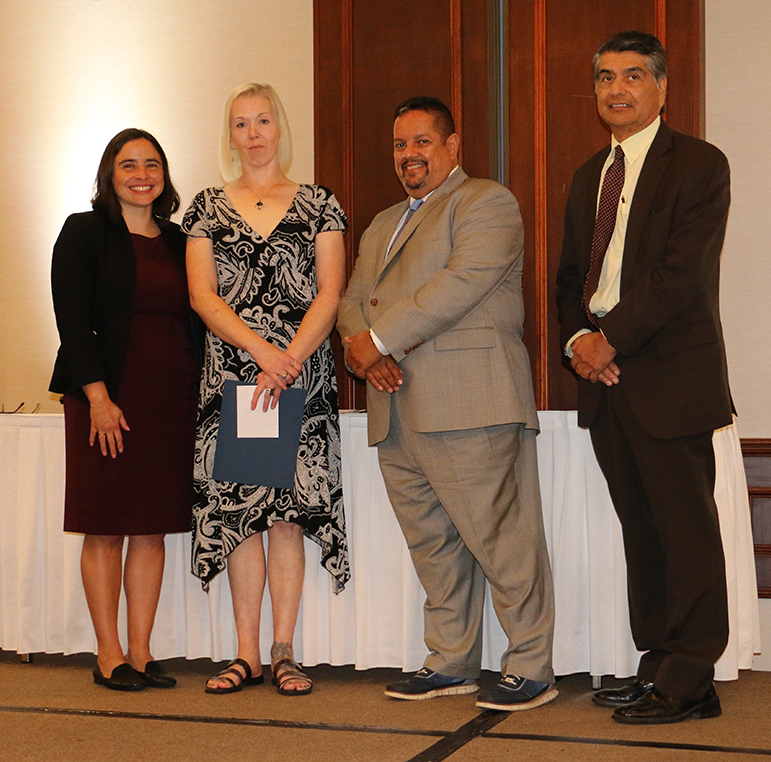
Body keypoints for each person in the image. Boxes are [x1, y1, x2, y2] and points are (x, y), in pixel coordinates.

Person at [337, 96, 556, 712]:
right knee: (433, 545)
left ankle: (532, 665)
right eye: (401, 145)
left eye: (422, 142)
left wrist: (376, 342)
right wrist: (363, 352)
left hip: (472, 402)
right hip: (397, 410)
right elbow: (354, 299)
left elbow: (459, 284)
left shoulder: (486, 202)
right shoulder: (381, 223)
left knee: (503, 540)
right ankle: (451, 660)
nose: (410, 154)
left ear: (453, 146)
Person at [556, 31, 733, 724]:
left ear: (662, 87)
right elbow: (573, 276)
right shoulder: (586, 176)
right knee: (643, 531)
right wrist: (578, 338)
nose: (615, 89)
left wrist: (608, 338)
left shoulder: (697, 165)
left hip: (668, 375)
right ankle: (660, 662)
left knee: (684, 531)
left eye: (631, 75)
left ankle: (690, 677)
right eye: (604, 77)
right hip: (604, 381)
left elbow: (679, 278)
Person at [184, 83, 349, 696]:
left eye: (262, 121)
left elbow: (330, 294)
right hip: (234, 381)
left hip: (298, 382)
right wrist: (261, 354)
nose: (252, 134)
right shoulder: (205, 207)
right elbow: (203, 296)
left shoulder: (319, 205)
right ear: (229, 135)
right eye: (240, 124)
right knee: (240, 518)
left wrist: (289, 360)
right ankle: (245, 654)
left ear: (280, 127)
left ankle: (284, 651)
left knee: (286, 520)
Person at [50, 128, 199, 691]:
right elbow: (73, 318)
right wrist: (97, 397)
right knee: (107, 525)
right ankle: (108, 653)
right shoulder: (86, 232)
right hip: (106, 398)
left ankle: (140, 651)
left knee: (152, 528)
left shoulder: (182, 240)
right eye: (129, 164)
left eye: (153, 164)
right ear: (110, 175)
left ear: (165, 175)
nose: (142, 174)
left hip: (171, 396)